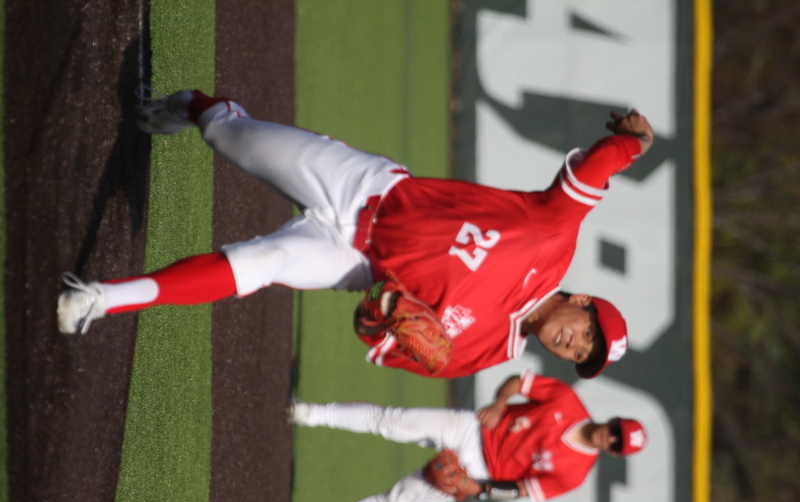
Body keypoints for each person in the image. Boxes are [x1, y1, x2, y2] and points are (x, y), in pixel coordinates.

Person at [57, 88, 654, 378]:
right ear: (582, 301)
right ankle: (190, 105)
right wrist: (633, 143)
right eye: (586, 334)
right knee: (224, 133)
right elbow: (591, 175)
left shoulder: (486, 352)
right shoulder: (552, 239)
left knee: (257, 266)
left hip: (349, 261)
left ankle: (101, 298)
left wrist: (381, 310)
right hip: (363, 187)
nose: (573, 346)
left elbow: (373, 336)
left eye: (581, 355)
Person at [290, 370, 647, 502]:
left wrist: (477, 489)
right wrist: (500, 402)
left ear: (615, 454)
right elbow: (520, 381)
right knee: (391, 420)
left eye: (617, 444)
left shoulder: (574, 473)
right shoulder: (567, 401)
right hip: (471, 428)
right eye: (617, 432)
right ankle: (310, 413)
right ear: (614, 420)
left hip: (478, 472)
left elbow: (521, 490)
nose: (612, 439)